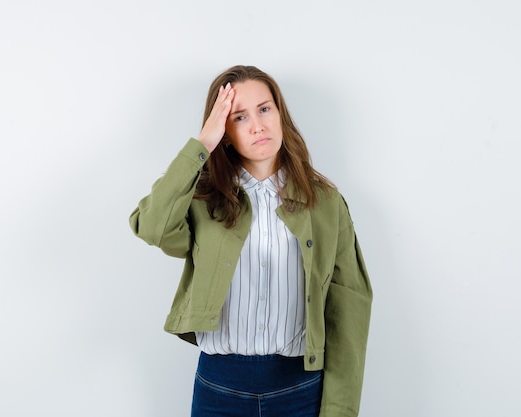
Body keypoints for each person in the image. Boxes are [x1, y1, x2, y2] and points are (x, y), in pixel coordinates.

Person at [130, 65, 372, 417]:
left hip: (301, 389)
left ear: (280, 114)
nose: (257, 125)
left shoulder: (325, 203)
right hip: (218, 390)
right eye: (239, 117)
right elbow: (151, 226)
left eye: (264, 109)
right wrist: (201, 146)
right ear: (224, 132)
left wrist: (339, 409)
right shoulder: (201, 200)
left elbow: (350, 305)